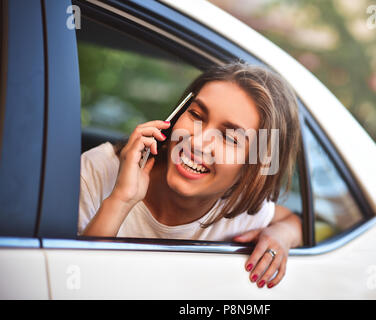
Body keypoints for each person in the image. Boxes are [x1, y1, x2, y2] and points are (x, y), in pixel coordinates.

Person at [78, 61, 302, 289]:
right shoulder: (97, 171)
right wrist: (120, 200)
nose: (196, 141)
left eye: (230, 138)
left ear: (254, 167)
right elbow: (74, 282)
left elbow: (293, 221)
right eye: (196, 115)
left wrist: (282, 235)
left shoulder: (240, 208)